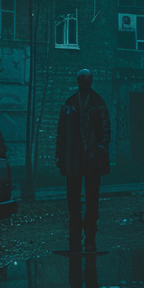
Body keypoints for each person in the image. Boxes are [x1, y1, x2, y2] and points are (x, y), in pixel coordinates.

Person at [55, 68, 110, 253]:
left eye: (88, 79)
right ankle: (75, 237)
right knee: (73, 201)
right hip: (73, 159)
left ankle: (90, 237)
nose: (86, 82)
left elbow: (105, 132)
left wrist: (100, 152)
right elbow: (61, 132)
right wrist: (60, 155)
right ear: (78, 81)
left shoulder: (97, 103)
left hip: (92, 160)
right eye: (83, 79)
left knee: (92, 200)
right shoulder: (70, 103)